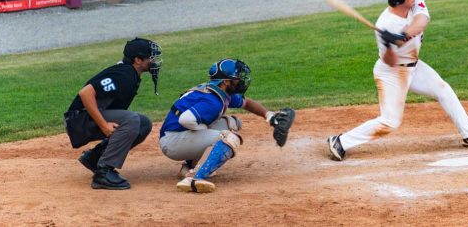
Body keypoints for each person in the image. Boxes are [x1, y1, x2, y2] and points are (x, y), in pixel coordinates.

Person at [327, 0, 468, 161]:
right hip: (393, 73)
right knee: (390, 122)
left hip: (414, 67)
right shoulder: (385, 24)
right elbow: (390, 61)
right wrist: (390, 45)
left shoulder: (415, 3)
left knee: (443, 90)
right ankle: (341, 141)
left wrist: (401, 36)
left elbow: (422, 21)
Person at [159, 59, 295, 193]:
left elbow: (247, 103)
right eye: (236, 78)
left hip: (178, 135)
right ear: (225, 82)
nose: (240, 81)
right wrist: (204, 130)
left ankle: (189, 166)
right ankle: (194, 178)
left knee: (231, 123)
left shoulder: (220, 92)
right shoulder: (212, 101)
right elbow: (185, 119)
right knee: (228, 138)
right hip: (172, 142)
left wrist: (269, 116)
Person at [64, 38, 163, 190]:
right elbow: (86, 93)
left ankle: (94, 158)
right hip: (79, 120)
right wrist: (103, 125)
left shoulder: (130, 74)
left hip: (86, 117)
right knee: (131, 120)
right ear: (137, 60)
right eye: (150, 58)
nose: (154, 61)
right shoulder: (123, 75)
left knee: (143, 123)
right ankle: (103, 172)